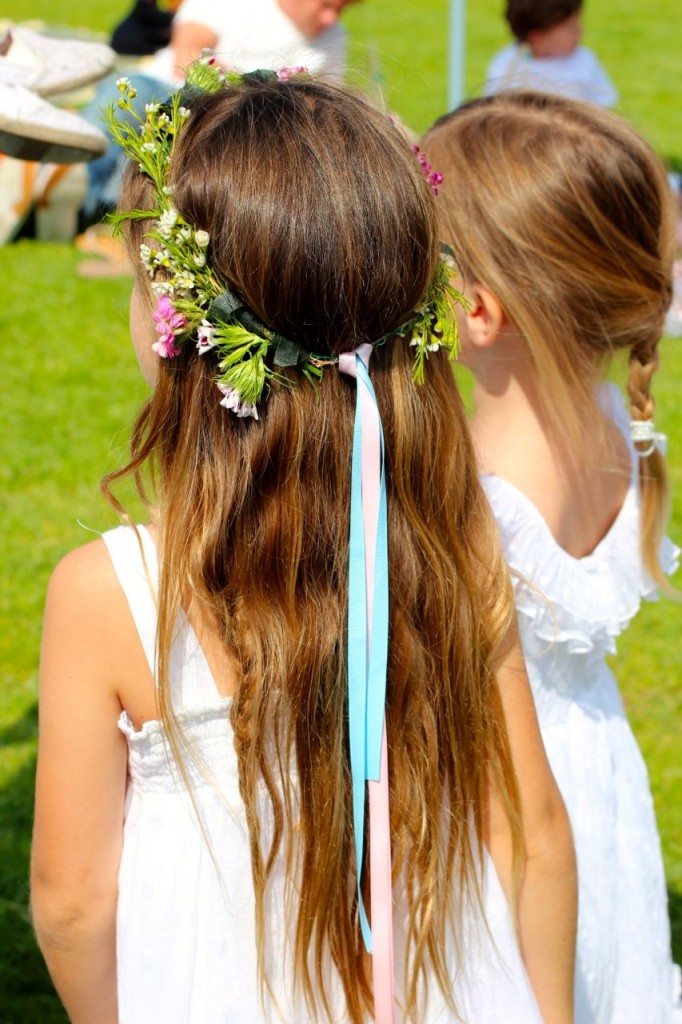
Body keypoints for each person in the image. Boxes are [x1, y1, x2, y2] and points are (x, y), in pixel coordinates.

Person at [30, 66, 577, 1024]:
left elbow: (75, 902)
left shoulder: (110, 594)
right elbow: (529, 830)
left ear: (176, 326)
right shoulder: (457, 543)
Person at [422, 91, 681, 1023]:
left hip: (507, 805)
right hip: (601, 788)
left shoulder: (461, 497)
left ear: (480, 310)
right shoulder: (620, 427)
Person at [484, 0, 618, 107]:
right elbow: (495, 111)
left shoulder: (584, 60)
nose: (580, 32)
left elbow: (604, 107)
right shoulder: (507, 66)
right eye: (571, 28)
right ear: (537, 37)